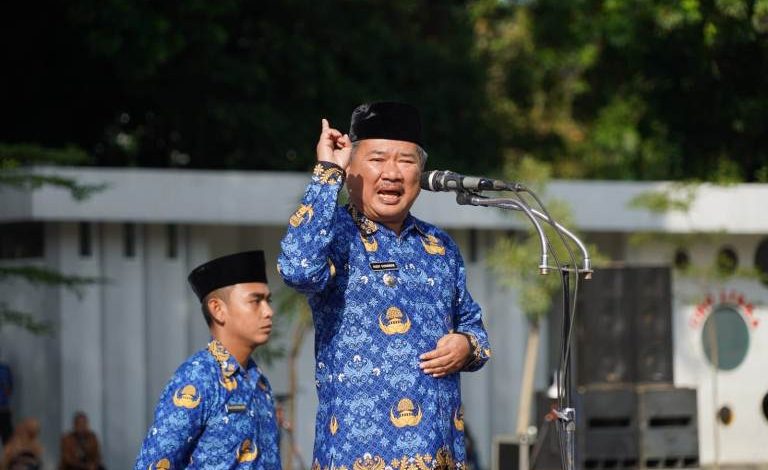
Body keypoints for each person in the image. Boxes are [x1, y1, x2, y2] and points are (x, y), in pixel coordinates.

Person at [278, 102, 491, 469]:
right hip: (354, 456)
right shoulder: (334, 236)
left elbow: (475, 329)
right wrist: (326, 173)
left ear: (421, 172)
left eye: (406, 161)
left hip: (437, 454)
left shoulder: (439, 246)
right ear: (350, 169)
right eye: (377, 159)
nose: (392, 173)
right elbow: (297, 269)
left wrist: (466, 345)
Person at [134, 250, 281, 469]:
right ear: (218, 309)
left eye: (268, 300)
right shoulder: (198, 378)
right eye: (255, 301)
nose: (268, 311)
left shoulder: (259, 382)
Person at [0, 358, 12, 445]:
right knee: (7, 440)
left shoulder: (5, 369)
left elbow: (9, 390)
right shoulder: (5, 369)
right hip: (4, 409)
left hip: (4, 410)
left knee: (8, 440)